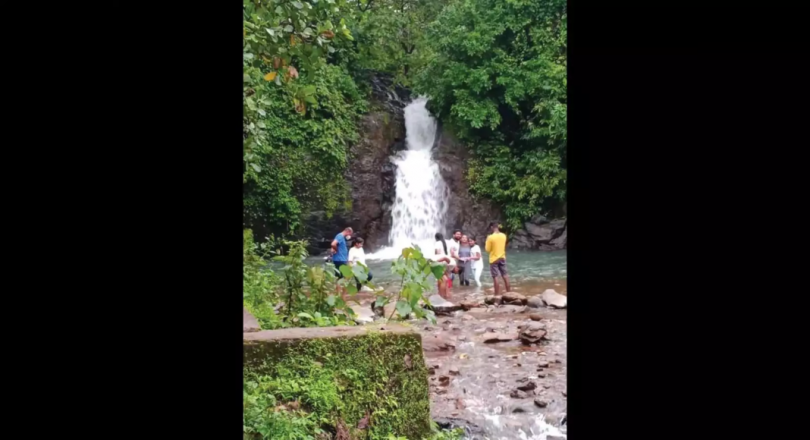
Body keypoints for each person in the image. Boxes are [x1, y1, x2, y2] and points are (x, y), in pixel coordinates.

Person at [485, 222, 510, 295]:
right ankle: (509, 293)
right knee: (505, 275)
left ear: (492, 227)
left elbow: (487, 250)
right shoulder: (504, 235)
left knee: (495, 277)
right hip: (502, 257)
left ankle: (496, 295)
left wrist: (487, 240)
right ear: (498, 227)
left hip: (494, 259)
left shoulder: (490, 237)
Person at [330, 227, 353, 297]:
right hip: (340, 260)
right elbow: (333, 244)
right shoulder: (340, 236)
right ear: (348, 232)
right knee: (346, 277)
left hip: (339, 259)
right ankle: (343, 296)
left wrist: (334, 250)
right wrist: (336, 250)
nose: (349, 236)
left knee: (339, 277)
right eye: (350, 234)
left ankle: (338, 294)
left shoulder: (340, 236)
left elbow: (332, 248)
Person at [433, 232, 454, 298]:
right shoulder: (449, 242)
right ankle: (448, 293)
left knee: (441, 278)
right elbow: (452, 252)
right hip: (450, 262)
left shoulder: (437, 243)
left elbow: (438, 253)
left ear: (436, 238)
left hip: (442, 262)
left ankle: (441, 295)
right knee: (448, 278)